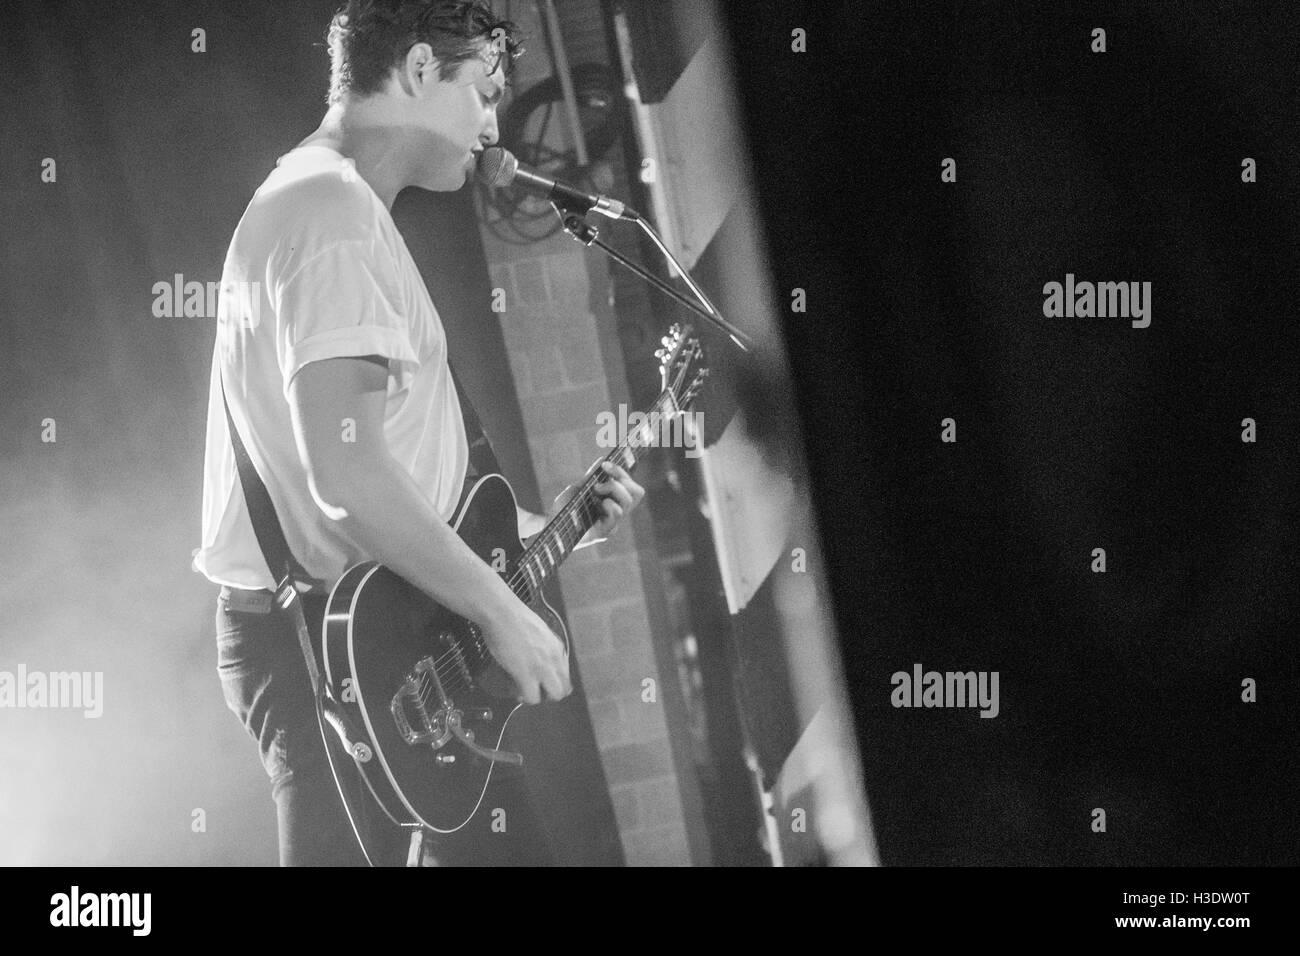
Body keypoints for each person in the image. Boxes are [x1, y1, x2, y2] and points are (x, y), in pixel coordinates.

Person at [192, 0, 644, 866]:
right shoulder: (328, 215)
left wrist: (551, 529)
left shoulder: (337, 205)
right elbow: (349, 477)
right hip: (330, 643)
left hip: (391, 629)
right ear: (420, 70)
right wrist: (500, 611)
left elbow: (394, 481)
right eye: (485, 90)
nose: (493, 122)